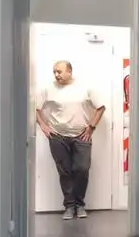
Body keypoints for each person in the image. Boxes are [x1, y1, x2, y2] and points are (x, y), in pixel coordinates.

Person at [36, 60, 106, 219]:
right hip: (58, 136)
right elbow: (35, 108)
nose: (56, 75)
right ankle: (69, 206)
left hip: (82, 135)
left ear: (69, 71)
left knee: (82, 169)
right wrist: (43, 125)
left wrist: (91, 127)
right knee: (65, 171)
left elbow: (101, 107)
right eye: (54, 72)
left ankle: (80, 205)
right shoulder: (48, 89)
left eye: (59, 71)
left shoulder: (85, 87)